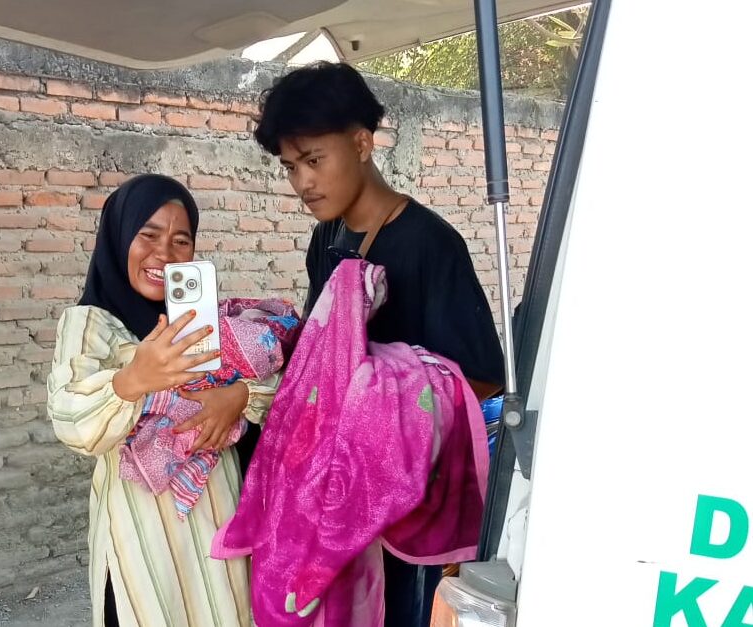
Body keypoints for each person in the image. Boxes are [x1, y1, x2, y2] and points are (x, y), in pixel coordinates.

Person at [251, 62, 506, 627]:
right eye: (291, 167)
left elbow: (483, 375)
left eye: (314, 160)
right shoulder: (327, 237)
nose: (302, 182)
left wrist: (387, 403)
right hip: (336, 493)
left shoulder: (430, 243)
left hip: (401, 504)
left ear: (363, 143)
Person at [47, 174, 274, 627]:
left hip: (220, 519)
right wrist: (133, 379)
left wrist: (239, 395)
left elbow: (279, 380)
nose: (164, 254)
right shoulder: (90, 324)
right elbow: (71, 423)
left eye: (180, 240)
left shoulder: (204, 320)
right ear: (119, 238)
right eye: (147, 235)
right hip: (142, 538)